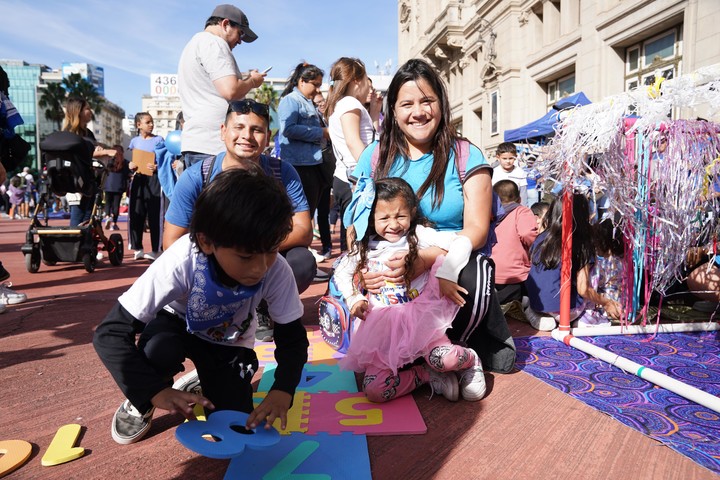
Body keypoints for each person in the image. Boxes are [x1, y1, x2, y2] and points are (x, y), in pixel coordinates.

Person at [93, 168, 309, 445]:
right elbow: (109, 333)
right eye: (245, 257)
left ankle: (206, 379)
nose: (260, 268)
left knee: (234, 425)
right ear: (206, 241)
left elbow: (292, 339)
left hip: (228, 339)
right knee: (158, 349)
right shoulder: (183, 259)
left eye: (271, 251)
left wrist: (283, 390)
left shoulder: (276, 269)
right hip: (176, 323)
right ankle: (140, 401)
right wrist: (154, 391)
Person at [352, 58, 516, 379]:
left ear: (441, 103)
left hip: (451, 261)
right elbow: (356, 225)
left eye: (427, 101)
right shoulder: (374, 157)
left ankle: (457, 348)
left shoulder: (467, 154)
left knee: (467, 273)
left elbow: (478, 230)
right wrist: (361, 272)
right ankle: (424, 365)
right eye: (407, 104)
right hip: (391, 267)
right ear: (394, 111)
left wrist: (428, 259)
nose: (418, 112)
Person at [163, 99, 315, 341]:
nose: (247, 136)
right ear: (223, 132)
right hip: (211, 262)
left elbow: (304, 230)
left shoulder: (283, 173)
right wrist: (226, 252)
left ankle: (264, 309)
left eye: (257, 130)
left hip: (262, 258)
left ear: (267, 136)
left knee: (302, 261)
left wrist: (253, 248)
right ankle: (207, 306)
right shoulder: (195, 177)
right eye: (239, 127)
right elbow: (171, 242)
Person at [337, 177, 482, 402]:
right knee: (374, 390)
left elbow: (462, 242)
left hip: (422, 322)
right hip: (382, 328)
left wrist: (447, 275)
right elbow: (341, 272)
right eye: (384, 218)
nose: (393, 224)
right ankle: (427, 375)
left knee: (446, 360)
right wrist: (353, 298)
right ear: (370, 218)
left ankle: (470, 360)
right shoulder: (364, 248)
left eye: (400, 216)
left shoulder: (418, 236)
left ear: (412, 212)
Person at [177, 4, 266, 167]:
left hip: (199, 142)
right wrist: (253, 81)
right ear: (225, 24)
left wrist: (244, 77)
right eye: (240, 33)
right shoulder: (215, 43)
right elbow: (230, 90)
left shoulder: (194, 44)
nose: (240, 41)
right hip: (214, 145)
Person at [523, 193, 623, 331]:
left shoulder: (540, 238)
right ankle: (585, 317)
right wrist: (606, 302)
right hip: (568, 310)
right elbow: (583, 289)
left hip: (538, 302)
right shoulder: (582, 244)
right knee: (593, 273)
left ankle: (535, 312)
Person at [326, 57, 382, 253]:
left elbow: (368, 139)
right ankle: (352, 277)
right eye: (367, 79)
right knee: (356, 233)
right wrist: (374, 172)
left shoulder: (341, 104)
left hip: (346, 176)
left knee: (353, 231)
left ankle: (351, 274)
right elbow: (353, 141)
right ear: (357, 80)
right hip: (356, 178)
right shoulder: (349, 103)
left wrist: (374, 113)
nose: (370, 86)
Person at [277, 62, 329, 225]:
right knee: (299, 213)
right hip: (299, 166)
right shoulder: (291, 101)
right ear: (302, 81)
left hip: (312, 164)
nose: (318, 90)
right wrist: (321, 132)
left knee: (308, 212)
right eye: (315, 85)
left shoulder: (307, 103)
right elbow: (288, 129)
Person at [62, 97, 117, 226]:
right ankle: (75, 244)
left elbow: (90, 150)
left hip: (90, 179)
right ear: (78, 111)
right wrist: (105, 152)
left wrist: (99, 148)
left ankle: (85, 244)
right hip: (76, 181)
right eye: (87, 108)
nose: (90, 111)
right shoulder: (70, 133)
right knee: (78, 217)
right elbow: (79, 153)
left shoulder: (87, 133)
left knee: (88, 218)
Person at [491, 180, 538, 305]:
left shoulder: (489, 213)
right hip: (516, 273)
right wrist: (534, 247)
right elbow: (526, 233)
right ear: (519, 199)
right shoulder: (521, 211)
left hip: (492, 271)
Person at [576, 217, 626, 327]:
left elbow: (592, 286)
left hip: (607, 304)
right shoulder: (623, 260)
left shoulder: (604, 264)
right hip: (622, 301)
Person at [127, 113, 163, 261]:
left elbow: (165, 160)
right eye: (147, 122)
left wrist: (156, 166)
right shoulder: (134, 141)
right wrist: (131, 165)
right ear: (138, 125)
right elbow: (132, 161)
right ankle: (138, 248)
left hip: (153, 179)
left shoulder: (159, 140)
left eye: (152, 122)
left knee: (155, 215)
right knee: (136, 213)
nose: (151, 125)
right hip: (138, 179)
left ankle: (156, 249)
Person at [312, 91, 333, 260]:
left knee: (325, 211)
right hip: (314, 169)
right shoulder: (313, 119)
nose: (321, 105)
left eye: (322, 102)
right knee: (312, 211)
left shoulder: (330, 117)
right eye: (317, 103)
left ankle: (327, 246)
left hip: (328, 169)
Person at [103, 146, 129, 231]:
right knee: (116, 205)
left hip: (108, 184)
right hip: (119, 186)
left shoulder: (109, 160)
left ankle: (107, 216)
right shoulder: (124, 162)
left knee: (108, 202)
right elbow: (127, 174)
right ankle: (114, 224)